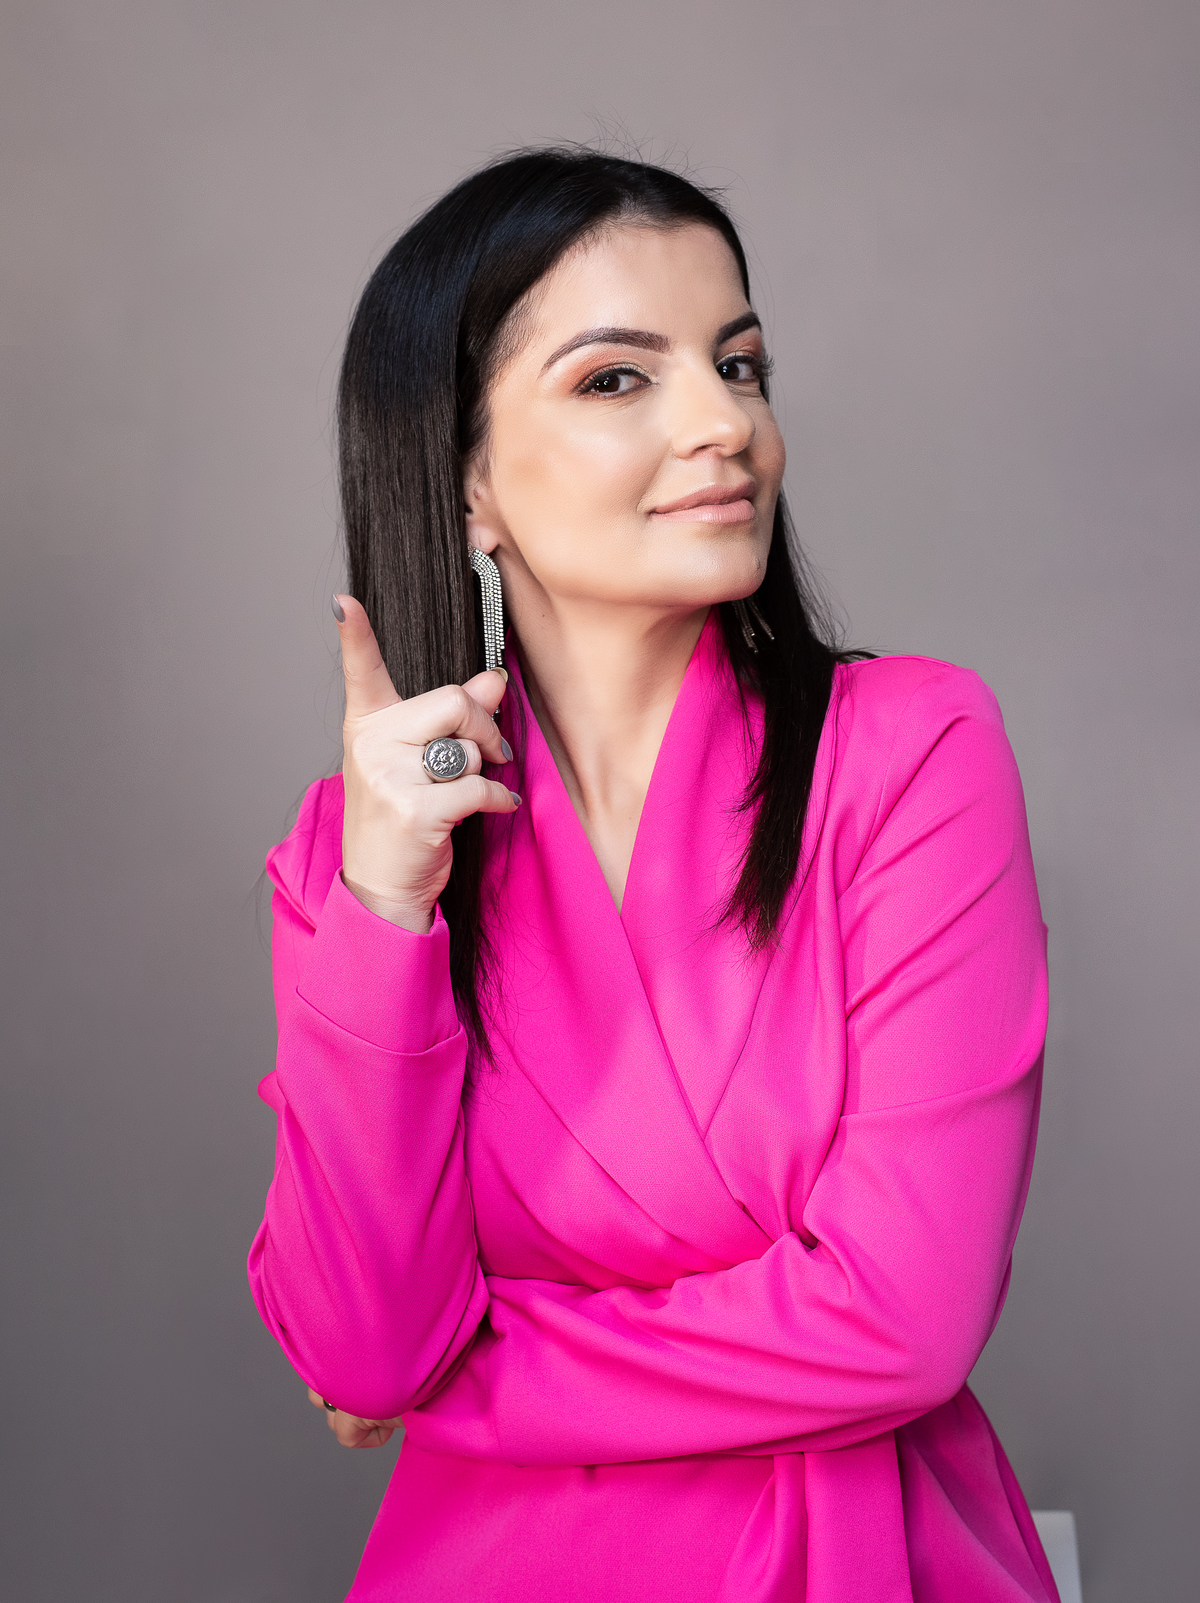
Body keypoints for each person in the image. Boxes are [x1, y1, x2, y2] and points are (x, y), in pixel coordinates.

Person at [248, 149, 1058, 1603]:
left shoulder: (910, 752)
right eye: (619, 378)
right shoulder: (356, 856)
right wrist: (383, 906)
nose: (725, 423)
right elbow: (363, 1341)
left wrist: (461, 1381)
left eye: (739, 365)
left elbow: (903, 1321)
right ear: (467, 482)